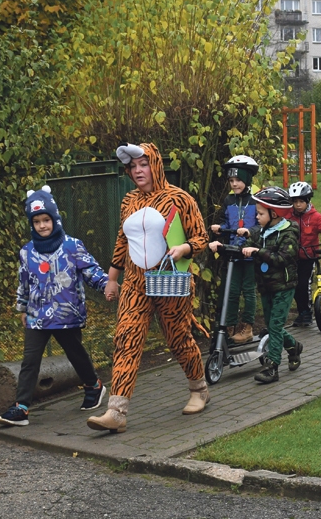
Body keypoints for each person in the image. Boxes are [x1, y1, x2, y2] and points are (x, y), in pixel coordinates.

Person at [87, 143, 211, 434]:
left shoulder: (179, 198)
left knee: (178, 337)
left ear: (155, 165)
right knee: (126, 338)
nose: (138, 171)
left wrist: (184, 248)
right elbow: (122, 240)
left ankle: (199, 388)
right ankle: (116, 411)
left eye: (143, 164)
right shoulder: (128, 200)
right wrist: (113, 278)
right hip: (135, 283)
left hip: (169, 282)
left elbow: (201, 238)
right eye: (133, 167)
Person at [0, 187, 110, 427]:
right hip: (37, 315)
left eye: (46, 220)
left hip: (67, 313)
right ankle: (22, 408)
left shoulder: (72, 246)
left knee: (75, 353)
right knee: (30, 360)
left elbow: (91, 271)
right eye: (36, 221)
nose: (42, 226)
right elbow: (24, 281)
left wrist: (106, 285)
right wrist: (23, 308)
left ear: (55, 219)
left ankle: (94, 386)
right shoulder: (27, 252)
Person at [236, 187, 304, 384]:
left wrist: (257, 251)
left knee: (274, 326)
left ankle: (272, 367)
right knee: (272, 326)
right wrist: (225, 244)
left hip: (284, 286)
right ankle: (293, 347)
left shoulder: (289, 231)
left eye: (260, 213)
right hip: (266, 286)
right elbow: (251, 238)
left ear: (274, 214)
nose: (256, 216)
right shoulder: (262, 231)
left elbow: (284, 257)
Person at [211, 155, 260, 344]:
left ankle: (247, 327)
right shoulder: (228, 201)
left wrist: (250, 232)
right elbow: (225, 222)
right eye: (231, 180)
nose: (234, 184)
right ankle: (229, 326)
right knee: (231, 291)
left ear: (247, 180)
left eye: (238, 180)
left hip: (249, 254)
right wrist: (220, 228)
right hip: (232, 253)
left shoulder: (256, 201)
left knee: (248, 291)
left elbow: (261, 225)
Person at [286, 181, 321, 327]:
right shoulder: (289, 216)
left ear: (308, 201)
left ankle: (306, 312)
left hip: (309, 257)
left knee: (303, 284)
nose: (298, 205)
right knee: (292, 285)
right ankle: (301, 312)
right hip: (292, 257)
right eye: (295, 202)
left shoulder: (315, 217)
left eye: (301, 201)